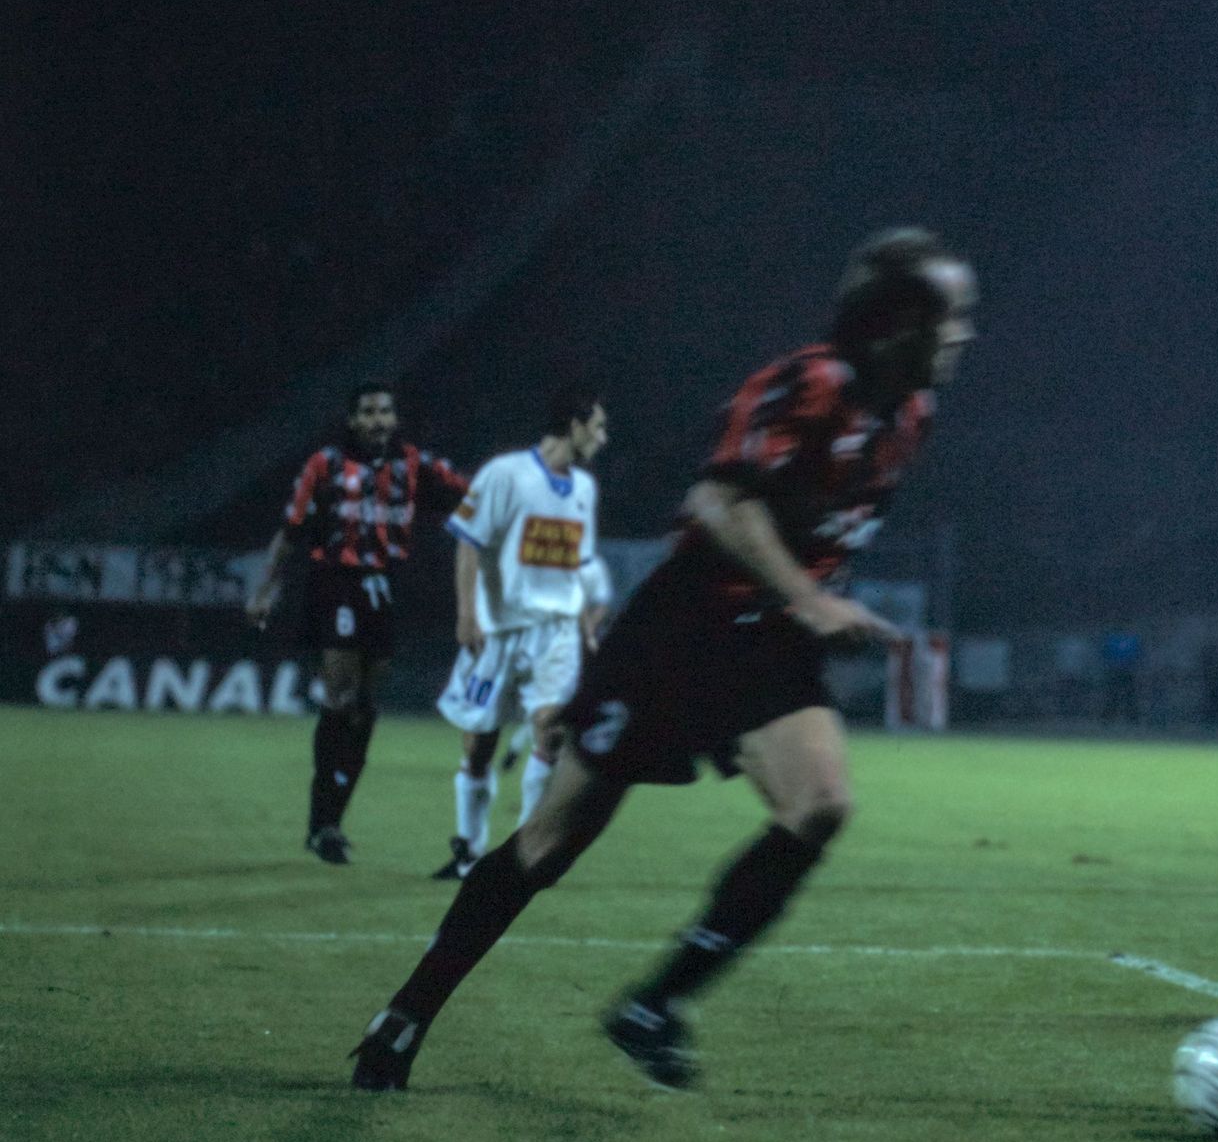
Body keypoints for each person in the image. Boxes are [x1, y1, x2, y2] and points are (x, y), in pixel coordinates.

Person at [349, 227, 977, 1091]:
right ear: (896, 321)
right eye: (952, 316)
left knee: (820, 803)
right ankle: (405, 1013)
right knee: (550, 843)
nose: (962, 335)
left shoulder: (911, 415)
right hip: (684, 629)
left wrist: (800, 601)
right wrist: (809, 592)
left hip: (766, 640)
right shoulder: (806, 383)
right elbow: (718, 503)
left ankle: (656, 1006)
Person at [244, 383, 467, 864]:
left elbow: (471, 495)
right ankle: (323, 821)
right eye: (368, 412)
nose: (378, 420)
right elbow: (290, 532)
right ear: (352, 420)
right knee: (341, 696)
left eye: (385, 411)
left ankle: (333, 821)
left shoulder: (415, 465)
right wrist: (265, 589)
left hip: (386, 586)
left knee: (366, 707)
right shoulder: (323, 465)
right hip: (335, 583)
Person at [430, 389, 612, 881]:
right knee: (480, 745)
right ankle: (468, 849)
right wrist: (468, 614)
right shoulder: (506, 474)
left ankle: (526, 853)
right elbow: (468, 545)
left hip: (555, 631)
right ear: (573, 424)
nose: (603, 437)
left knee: (551, 732)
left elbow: (576, 564)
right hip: (499, 629)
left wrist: (583, 626)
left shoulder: (584, 489)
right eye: (597, 426)